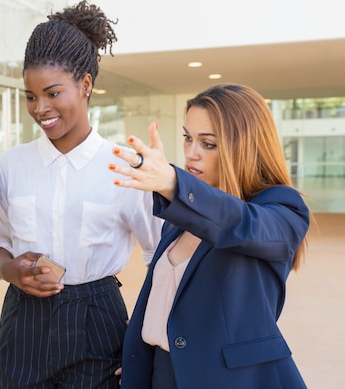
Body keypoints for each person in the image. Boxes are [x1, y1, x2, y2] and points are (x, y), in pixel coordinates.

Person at [0, 0, 163, 389]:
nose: (40, 108)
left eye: (52, 93)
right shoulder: (11, 166)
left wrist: (145, 344)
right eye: (31, 96)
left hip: (99, 321)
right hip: (22, 323)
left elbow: (162, 259)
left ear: (85, 85)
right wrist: (8, 269)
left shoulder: (125, 166)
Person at [111, 83, 309, 389]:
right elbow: (165, 300)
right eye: (188, 138)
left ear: (244, 146)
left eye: (208, 144)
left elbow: (240, 224)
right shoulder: (179, 216)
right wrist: (141, 360)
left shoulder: (281, 209)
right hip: (163, 373)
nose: (191, 154)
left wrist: (174, 185)